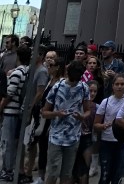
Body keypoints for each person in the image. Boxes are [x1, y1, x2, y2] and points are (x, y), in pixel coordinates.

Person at [42, 59, 91, 184]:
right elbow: (45, 112)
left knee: (67, 174)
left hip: (73, 137)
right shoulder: (57, 87)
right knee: (53, 172)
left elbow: (88, 110)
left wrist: (82, 116)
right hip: (56, 136)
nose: (75, 82)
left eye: (78, 79)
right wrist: (57, 114)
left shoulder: (84, 88)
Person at [0, 43, 32, 182]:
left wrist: (0, 107)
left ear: (18, 56)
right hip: (17, 111)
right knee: (13, 142)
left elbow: (9, 93)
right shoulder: (27, 71)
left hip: (10, 111)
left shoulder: (17, 73)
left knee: (8, 142)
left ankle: (7, 170)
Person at [35, 56, 65, 184]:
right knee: (42, 147)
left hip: (54, 119)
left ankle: (49, 177)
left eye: (51, 65)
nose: (48, 68)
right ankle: (41, 177)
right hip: (44, 117)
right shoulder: (50, 80)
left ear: (57, 67)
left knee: (51, 151)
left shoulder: (61, 82)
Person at [94, 74, 124, 184]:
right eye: (117, 84)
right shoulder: (106, 102)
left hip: (122, 142)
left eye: (122, 84)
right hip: (107, 142)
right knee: (105, 174)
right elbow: (96, 124)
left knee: (117, 174)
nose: (119, 87)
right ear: (112, 86)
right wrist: (103, 126)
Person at [24, 46, 50, 179]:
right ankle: (26, 168)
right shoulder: (32, 69)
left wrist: (30, 107)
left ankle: (29, 172)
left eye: (34, 53)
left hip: (34, 110)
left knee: (32, 141)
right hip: (28, 107)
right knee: (28, 140)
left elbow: (40, 92)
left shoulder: (42, 71)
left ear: (40, 55)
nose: (31, 55)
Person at [72, 80, 98, 184]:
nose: (92, 94)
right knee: (72, 171)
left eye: (95, 91)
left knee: (85, 170)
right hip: (74, 138)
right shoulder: (77, 104)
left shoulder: (97, 107)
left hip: (87, 139)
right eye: (90, 90)